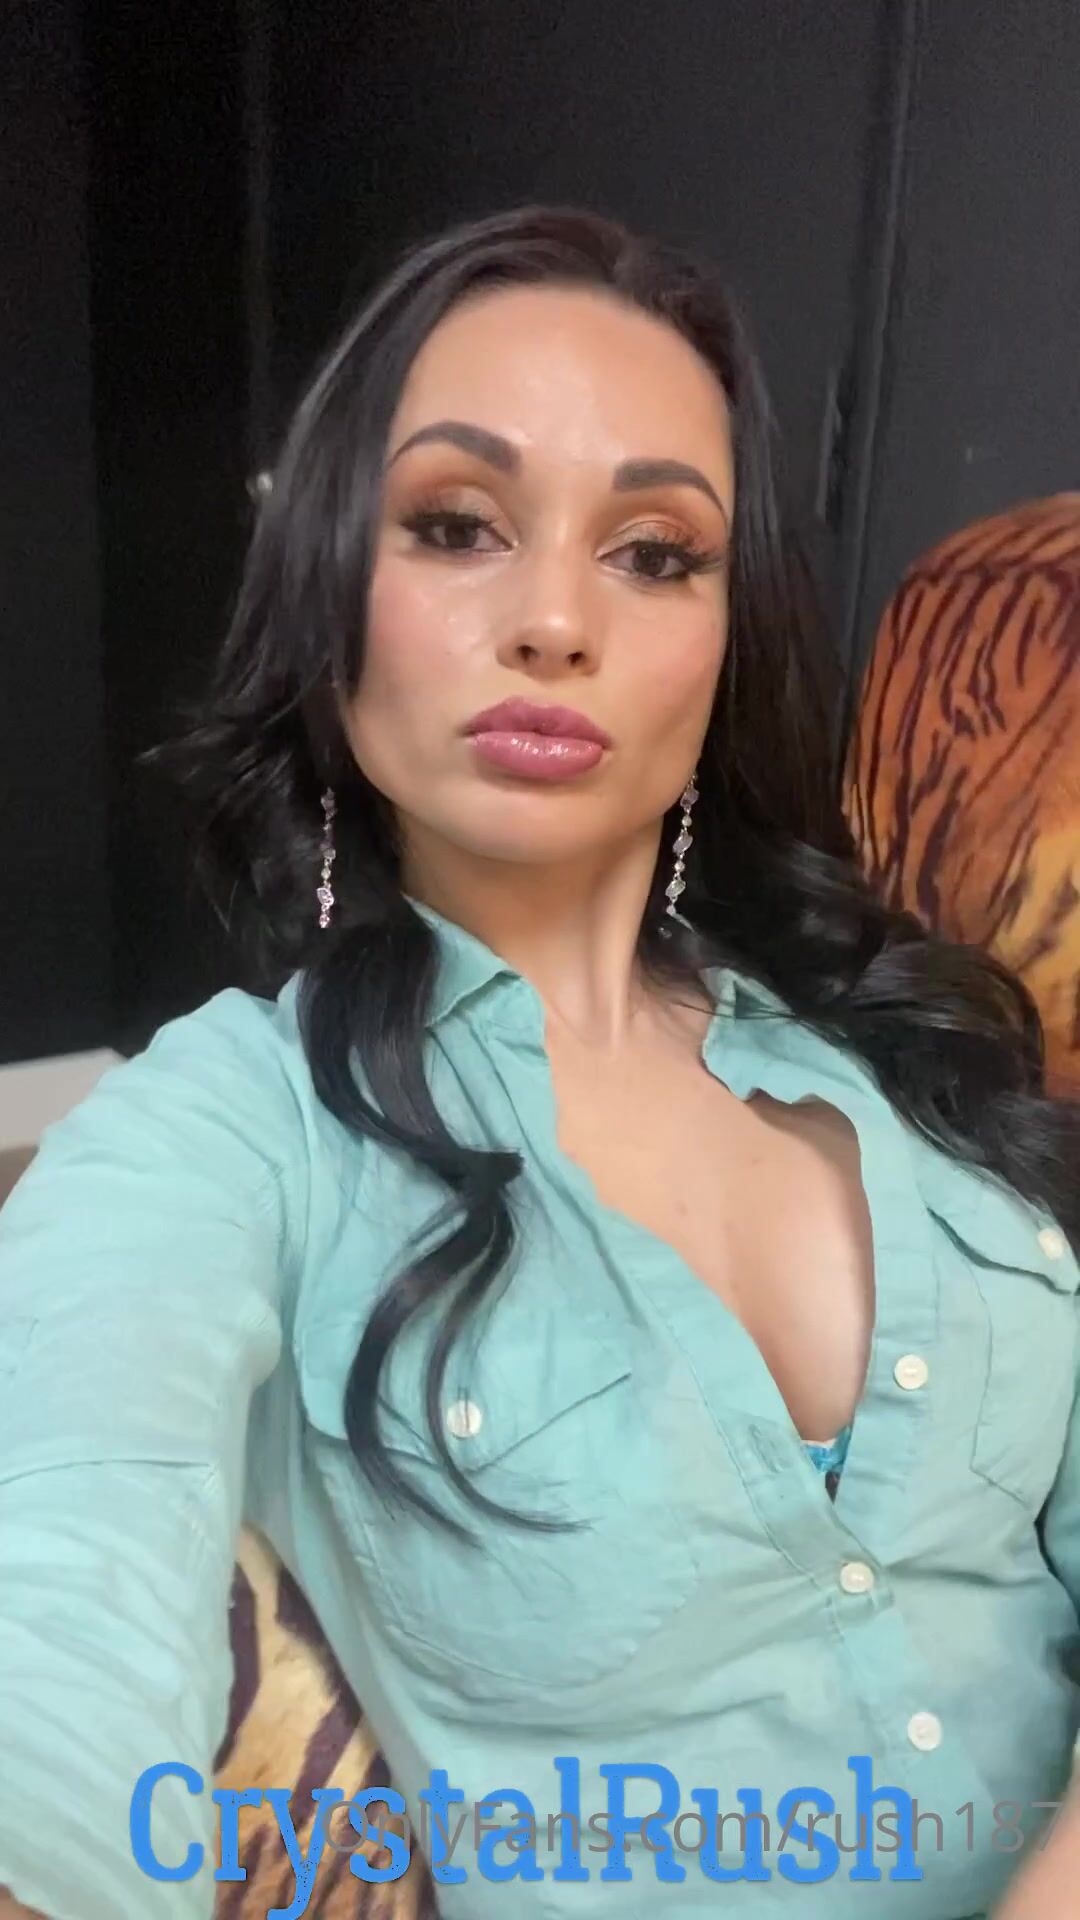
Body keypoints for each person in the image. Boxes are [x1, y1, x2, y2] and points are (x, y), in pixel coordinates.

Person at [1, 204, 1078, 1920]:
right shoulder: (227, 1136)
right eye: (457, 525)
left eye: (654, 551)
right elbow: (52, 1621)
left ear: (727, 638)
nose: (556, 619)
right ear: (330, 592)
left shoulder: (892, 1040)